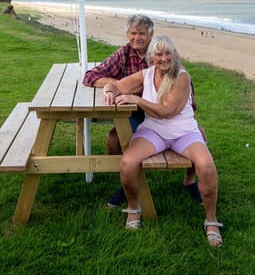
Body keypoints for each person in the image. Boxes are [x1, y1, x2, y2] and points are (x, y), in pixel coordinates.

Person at [104, 35, 223, 246]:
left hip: (183, 133)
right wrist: (109, 91)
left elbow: (167, 112)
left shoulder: (182, 77)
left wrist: (137, 99)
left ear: (174, 54)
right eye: (159, 54)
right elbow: (118, 85)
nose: (164, 58)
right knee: (128, 162)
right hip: (154, 131)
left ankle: (211, 220)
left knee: (206, 166)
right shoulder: (147, 73)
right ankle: (133, 208)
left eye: (168, 53)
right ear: (151, 57)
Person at [83, 14, 202, 207]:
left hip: (165, 113)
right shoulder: (123, 54)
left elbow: (184, 89)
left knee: (199, 136)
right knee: (114, 140)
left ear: (151, 34)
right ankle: (124, 182)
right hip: (134, 112)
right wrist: (117, 86)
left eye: (141, 33)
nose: (136, 38)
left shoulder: (162, 54)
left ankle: (189, 180)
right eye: (133, 33)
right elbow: (90, 76)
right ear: (127, 34)